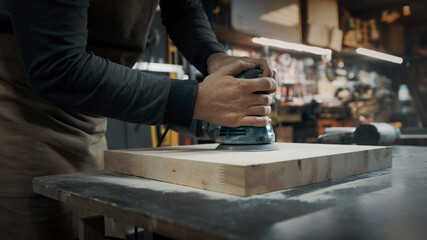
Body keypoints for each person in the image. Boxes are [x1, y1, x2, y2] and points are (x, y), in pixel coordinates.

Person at [0, 0, 276, 239]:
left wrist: (213, 56)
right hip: (20, 106)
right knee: (40, 224)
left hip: (88, 112)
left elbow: (183, 9)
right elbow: (58, 67)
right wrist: (196, 101)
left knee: (90, 221)